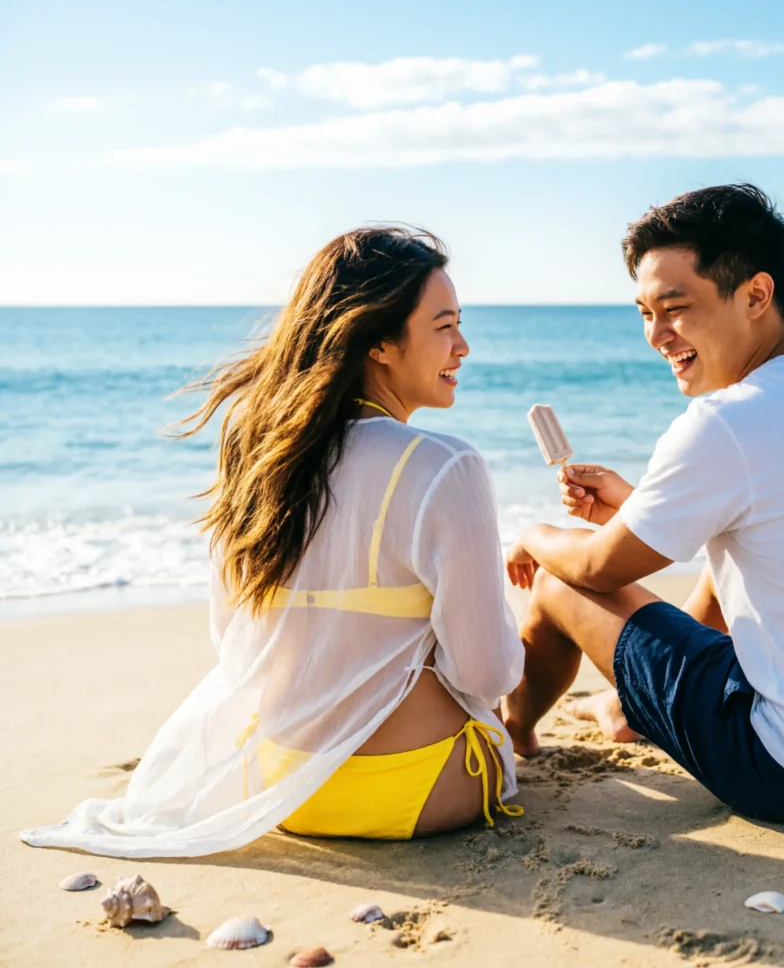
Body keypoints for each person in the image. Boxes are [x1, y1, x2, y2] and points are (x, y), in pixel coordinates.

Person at [22, 227, 525, 858]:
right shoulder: (447, 466)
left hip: (284, 788)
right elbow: (484, 672)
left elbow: (234, 641)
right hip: (422, 789)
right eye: (444, 326)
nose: (464, 346)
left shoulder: (259, 454)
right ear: (379, 341)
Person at [503, 184, 784, 826]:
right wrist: (639, 508)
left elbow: (597, 572)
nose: (657, 335)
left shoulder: (726, 423)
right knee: (733, 552)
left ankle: (515, 731)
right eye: (644, 312)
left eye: (675, 308)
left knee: (558, 580)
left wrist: (531, 534)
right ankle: (628, 708)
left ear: (755, 295)